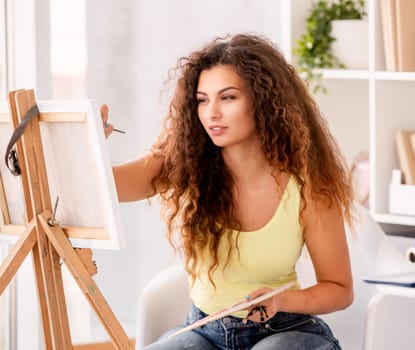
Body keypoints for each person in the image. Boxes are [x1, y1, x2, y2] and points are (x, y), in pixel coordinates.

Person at [101, 33, 354, 350]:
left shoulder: (307, 185)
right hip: (205, 330)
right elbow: (108, 187)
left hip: (287, 331)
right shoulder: (183, 165)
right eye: (202, 100)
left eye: (228, 97)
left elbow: (340, 289)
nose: (211, 113)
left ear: (261, 101)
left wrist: (282, 300)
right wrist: (89, 147)